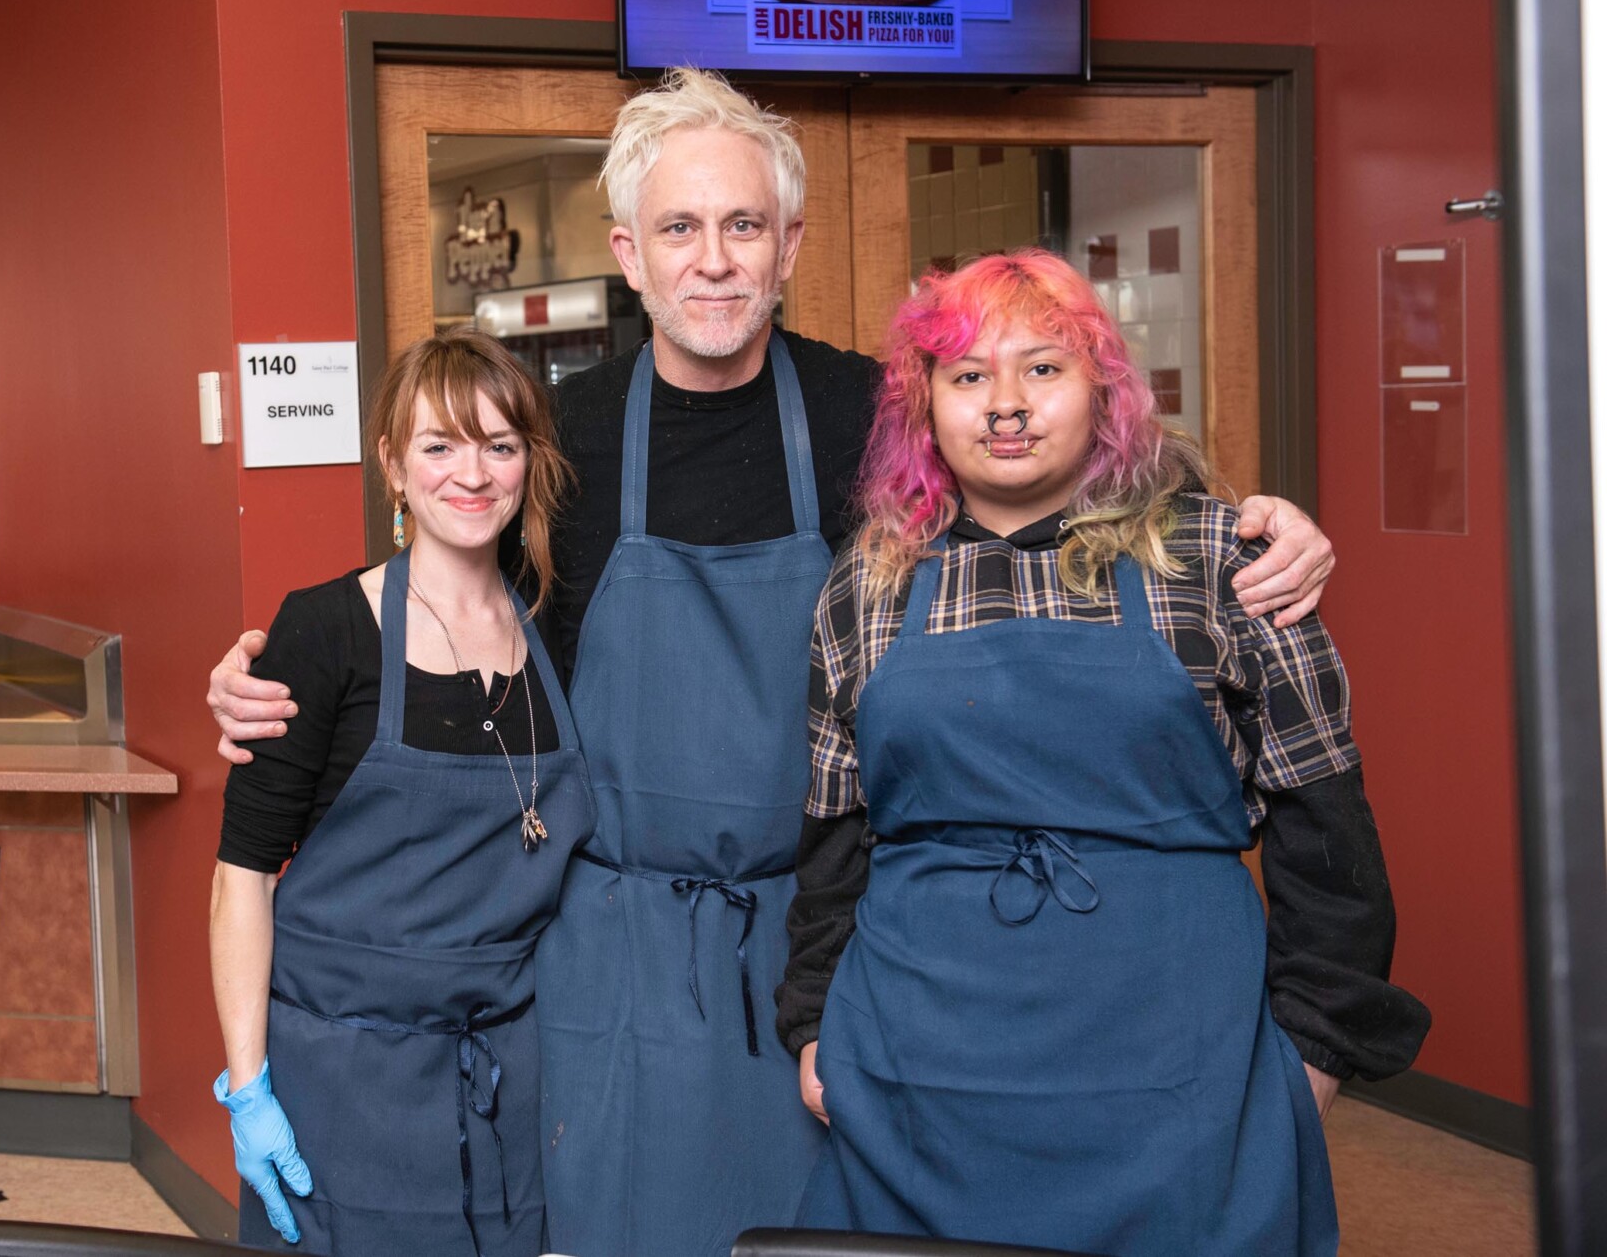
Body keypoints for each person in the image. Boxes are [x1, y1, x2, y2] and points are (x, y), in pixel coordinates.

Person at [208, 70, 1340, 1257]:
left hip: (830, 939)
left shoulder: (880, 417)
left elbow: (1070, 494)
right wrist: (284, 666)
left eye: (743, 224)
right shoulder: (562, 438)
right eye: (680, 228)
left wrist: (1261, 526)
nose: (714, 259)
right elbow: (443, 586)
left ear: (789, 243)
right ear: (628, 253)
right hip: (619, 954)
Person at [780, 251, 1431, 1255]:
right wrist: (818, 1031)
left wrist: (1311, 1057)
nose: (1005, 405)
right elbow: (832, 841)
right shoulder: (869, 584)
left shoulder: (1222, 561)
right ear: (927, 408)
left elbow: (1331, 841)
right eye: (967, 376)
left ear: (1106, 391)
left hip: (1185, 1075)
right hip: (919, 1075)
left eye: (1043, 368)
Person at [208, 330, 595, 1257]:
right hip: (340, 1088)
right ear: (391, 464)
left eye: (500, 446)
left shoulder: (558, 625)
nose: (473, 473)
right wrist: (249, 1084)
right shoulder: (327, 629)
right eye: (440, 446)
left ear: (528, 465)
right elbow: (242, 880)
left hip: (507, 1083)